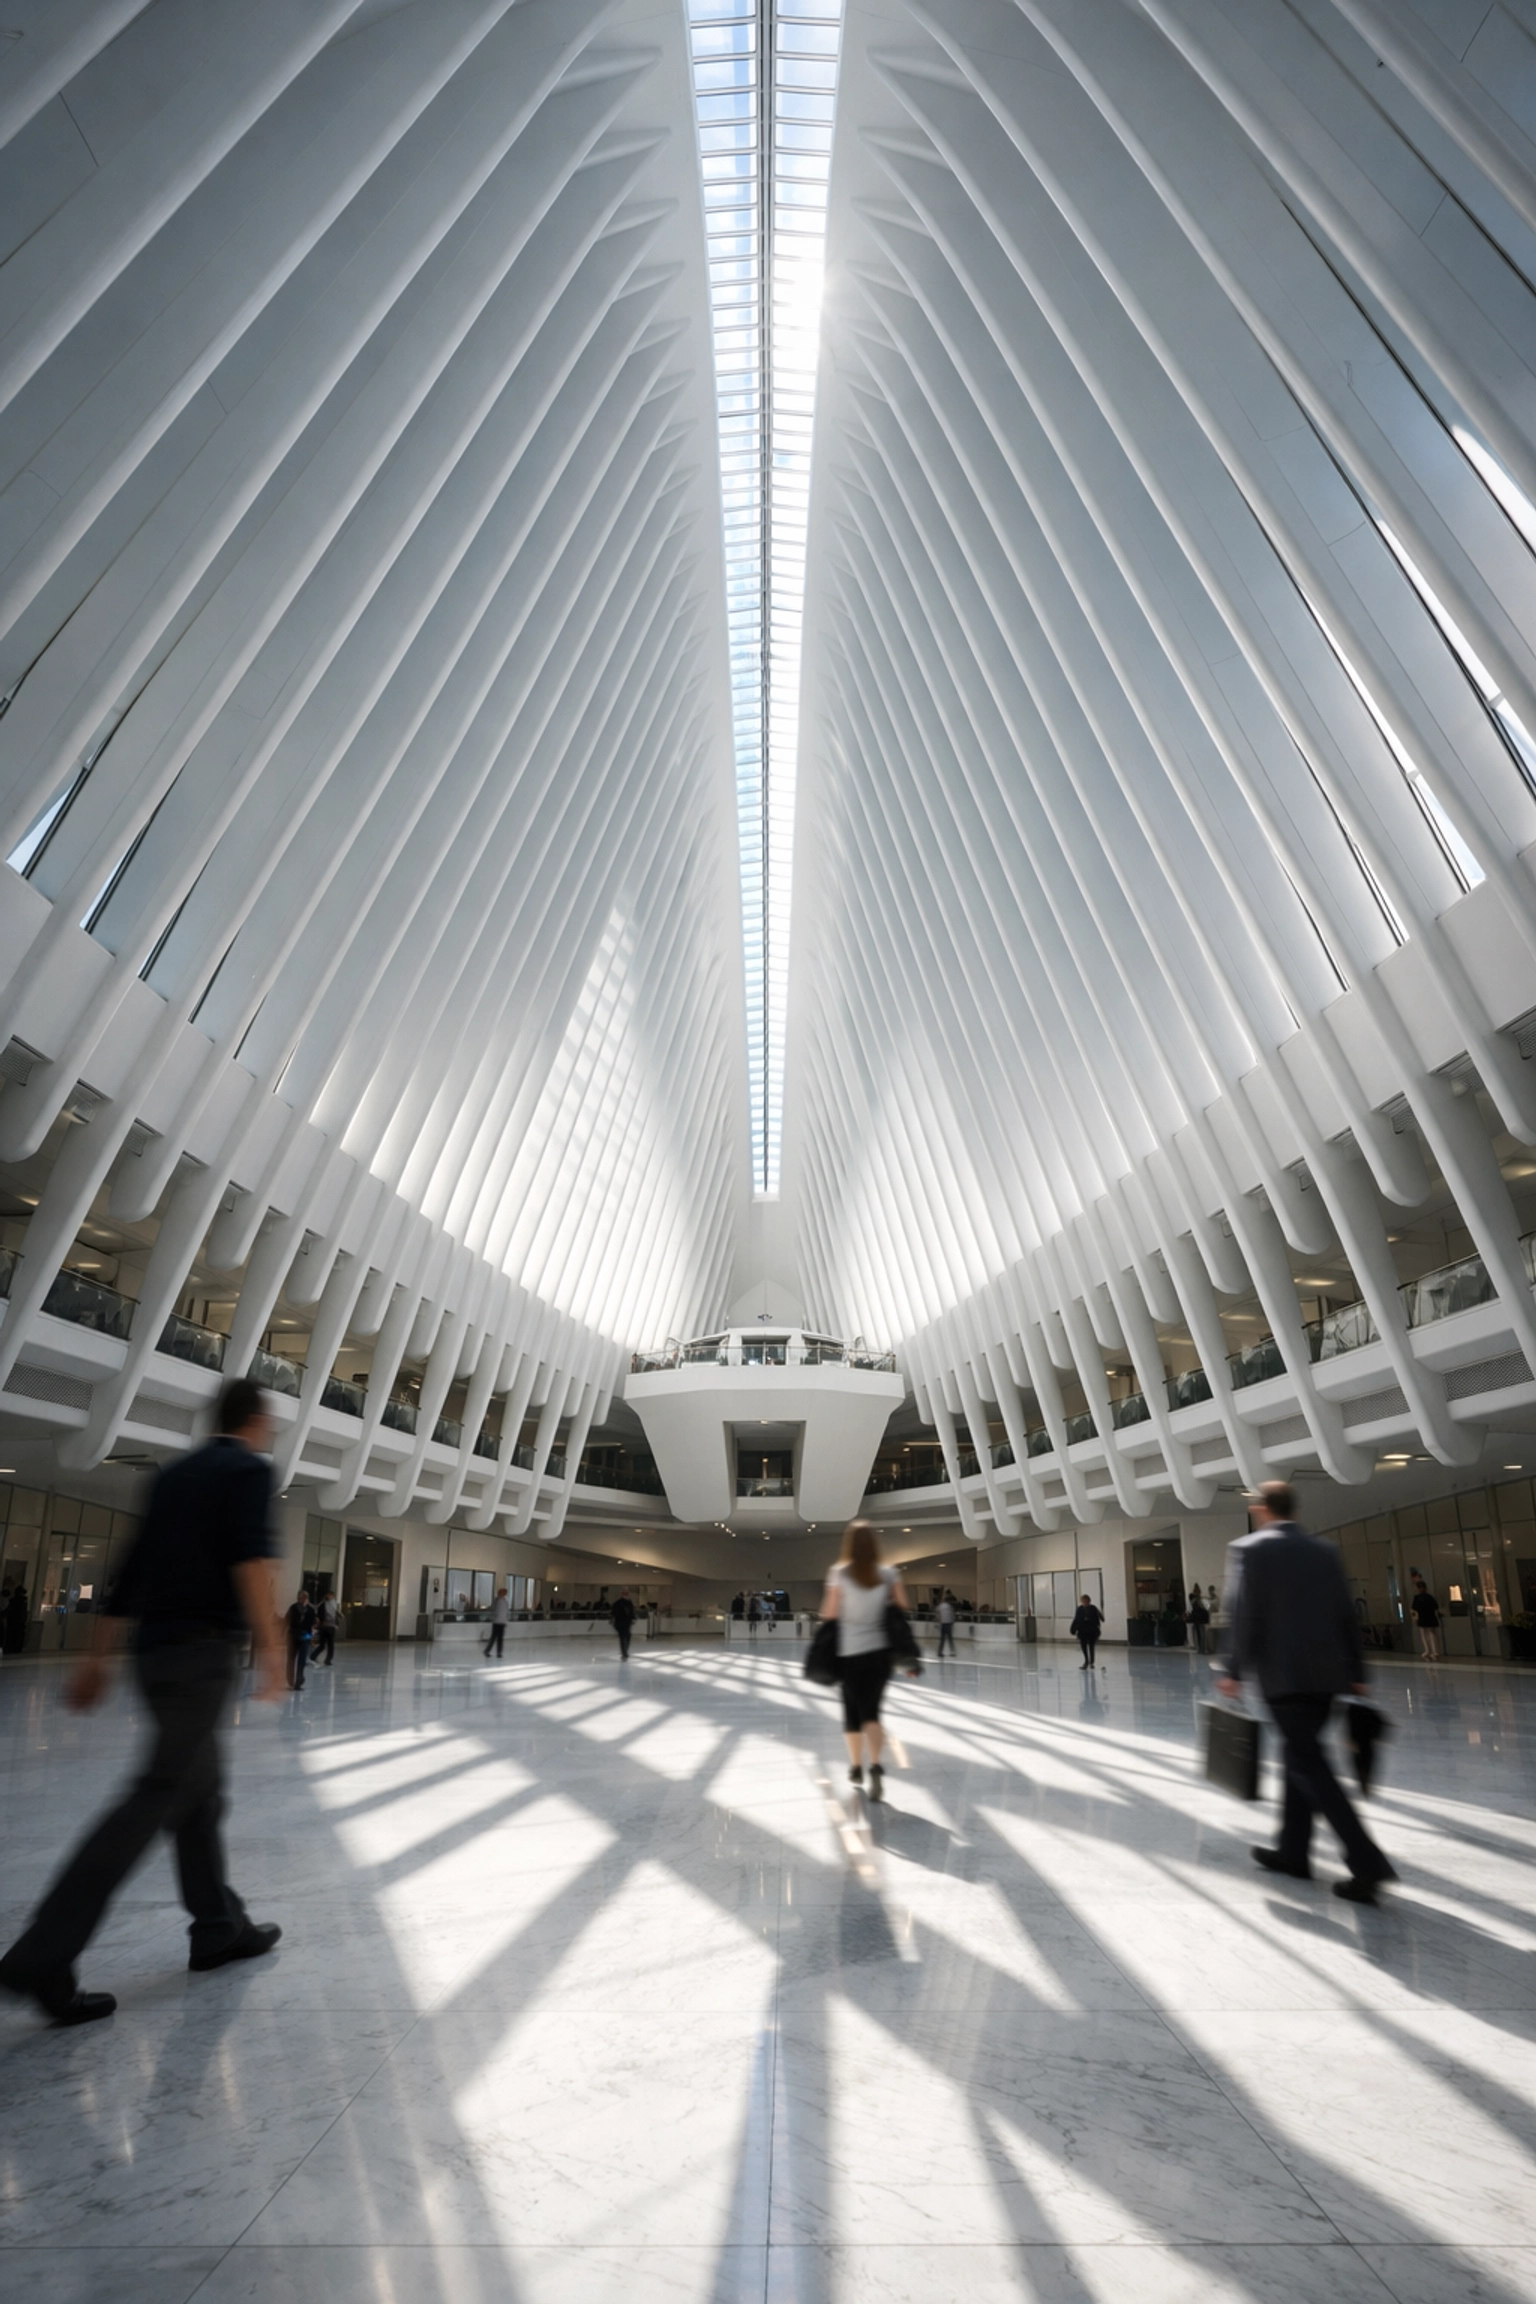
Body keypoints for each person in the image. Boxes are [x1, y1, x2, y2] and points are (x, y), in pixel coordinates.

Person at [0, 1378, 286, 2025]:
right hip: (201, 1655)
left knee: (200, 1793)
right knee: (156, 1794)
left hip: (154, 1658)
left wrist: (98, 1657)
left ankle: (217, 1926)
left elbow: (131, 1573)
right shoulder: (246, 1470)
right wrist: (273, 1650)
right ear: (257, 1421)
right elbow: (249, 1563)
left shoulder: (172, 1476)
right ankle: (43, 1954)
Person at [1221, 1480, 1396, 1905]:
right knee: (1298, 1758)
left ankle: (1366, 1860)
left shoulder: (1251, 1549)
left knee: (1310, 1766)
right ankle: (1293, 1852)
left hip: (1284, 1678)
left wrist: (1232, 1668)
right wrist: (1356, 1671)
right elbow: (1345, 1613)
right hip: (1328, 1677)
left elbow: (1244, 1615)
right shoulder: (1324, 1552)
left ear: (1263, 1509)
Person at [822, 1519, 910, 1801]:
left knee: (852, 1713)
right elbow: (902, 1607)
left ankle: (856, 1766)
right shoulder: (888, 1573)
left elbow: (830, 1613)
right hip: (880, 1653)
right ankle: (875, 1766)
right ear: (874, 1543)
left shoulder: (840, 1573)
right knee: (872, 1712)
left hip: (850, 1653)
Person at [286, 1587, 316, 1689]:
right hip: (293, 1636)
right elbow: (287, 1621)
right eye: (302, 1597)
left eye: (306, 1598)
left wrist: (311, 1637)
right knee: (291, 1659)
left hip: (305, 1637)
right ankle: (290, 1679)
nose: (304, 1600)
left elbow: (312, 1624)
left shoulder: (311, 1610)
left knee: (302, 1660)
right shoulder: (293, 1608)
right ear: (298, 1598)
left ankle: (299, 1679)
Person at [1410, 1575, 1442, 1661]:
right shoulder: (1430, 1597)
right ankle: (1435, 1652)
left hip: (1422, 1618)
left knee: (1424, 1634)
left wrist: (1415, 1618)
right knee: (1432, 1634)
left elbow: (1414, 1609)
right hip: (1430, 1617)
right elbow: (1436, 1607)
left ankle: (1428, 1650)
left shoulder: (1417, 1598)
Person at [1070, 1593, 1103, 1669]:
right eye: (1083, 1601)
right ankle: (1086, 1660)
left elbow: (1098, 1619)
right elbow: (1076, 1619)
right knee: (1083, 1645)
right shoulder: (1079, 1609)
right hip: (1082, 1630)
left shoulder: (1093, 1608)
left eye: (1086, 1601)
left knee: (1091, 1645)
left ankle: (1091, 1661)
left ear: (1089, 1601)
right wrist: (1073, 1628)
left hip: (1092, 1630)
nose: (1085, 1602)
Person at [311, 1586, 339, 1668]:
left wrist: (337, 1624)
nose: (330, 1596)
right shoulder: (322, 1604)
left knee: (330, 1645)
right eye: (328, 1595)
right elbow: (320, 1614)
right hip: (324, 1626)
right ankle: (313, 1656)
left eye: (331, 1595)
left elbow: (336, 1614)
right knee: (322, 1644)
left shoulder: (335, 1604)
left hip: (331, 1626)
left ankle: (328, 1660)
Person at [3, 1577, 28, 1657]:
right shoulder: (24, 1602)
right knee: (18, 1640)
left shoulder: (13, 1601)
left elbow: (7, 1612)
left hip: (12, 1625)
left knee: (11, 1640)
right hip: (20, 1625)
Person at [483, 1584, 510, 1659]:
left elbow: (505, 1613)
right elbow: (493, 1609)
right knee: (494, 1637)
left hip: (501, 1622)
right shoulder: (497, 1600)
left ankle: (499, 1652)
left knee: (500, 1638)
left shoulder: (504, 1602)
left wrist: (505, 1621)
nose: (504, 1594)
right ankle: (488, 1651)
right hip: (497, 1622)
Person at [611, 1587, 636, 1660]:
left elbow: (631, 1612)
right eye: (625, 1593)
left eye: (627, 1593)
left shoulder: (629, 1602)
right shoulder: (618, 1603)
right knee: (623, 1637)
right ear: (622, 1594)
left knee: (627, 1636)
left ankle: (625, 1651)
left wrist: (633, 1618)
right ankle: (624, 1652)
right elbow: (614, 1612)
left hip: (626, 1623)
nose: (626, 1595)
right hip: (620, 1623)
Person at [1187, 1584, 1211, 1655]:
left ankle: (1200, 1648)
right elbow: (1205, 1608)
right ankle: (1202, 1648)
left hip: (1197, 1619)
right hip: (1201, 1618)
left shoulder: (1194, 1599)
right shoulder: (1198, 1599)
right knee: (1202, 1633)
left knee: (1198, 1633)